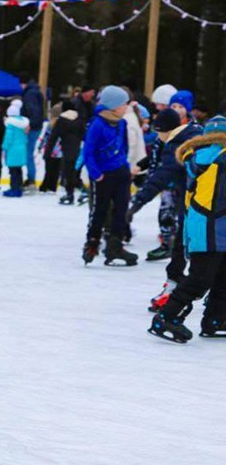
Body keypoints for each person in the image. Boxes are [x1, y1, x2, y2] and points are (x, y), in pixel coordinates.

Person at [149, 115, 226, 342]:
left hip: (204, 227)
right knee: (200, 279)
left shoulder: (199, 157)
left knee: (221, 276)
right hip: (212, 229)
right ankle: (167, 316)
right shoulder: (220, 159)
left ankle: (216, 319)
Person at [128, 107, 203, 308]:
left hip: (196, 203)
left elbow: (162, 175)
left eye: (158, 132)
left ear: (166, 130)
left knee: (185, 247)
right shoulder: (195, 132)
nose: (158, 137)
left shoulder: (179, 145)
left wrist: (137, 202)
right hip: (202, 202)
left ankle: (175, 289)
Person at [81, 85, 137, 266]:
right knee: (100, 210)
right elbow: (88, 152)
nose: (126, 107)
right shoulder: (97, 124)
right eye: (123, 104)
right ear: (113, 105)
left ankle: (115, 246)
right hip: (103, 175)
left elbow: (124, 147)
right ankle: (92, 243)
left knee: (121, 211)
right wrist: (96, 174)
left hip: (121, 172)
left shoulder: (122, 123)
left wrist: (125, 167)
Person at [49, 99, 85, 205]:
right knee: (74, 172)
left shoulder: (61, 120)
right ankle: (81, 192)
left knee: (68, 173)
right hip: (77, 149)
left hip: (66, 149)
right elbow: (84, 135)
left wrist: (49, 150)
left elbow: (54, 136)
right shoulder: (80, 120)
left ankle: (71, 194)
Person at [21, 77, 45, 190]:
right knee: (28, 152)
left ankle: (31, 180)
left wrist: (30, 124)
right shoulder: (35, 91)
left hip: (33, 127)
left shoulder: (30, 94)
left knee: (28, 153)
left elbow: (33, 110)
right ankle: (30, 179)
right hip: (36, 125)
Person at [2, 100, 29, 197]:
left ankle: (14, 189)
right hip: (21, 149)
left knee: (13, 171)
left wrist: (4, 147)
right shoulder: (23, 123)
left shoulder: (10, 124)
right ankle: (19, 188)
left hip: (13, 150)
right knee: (19, 170)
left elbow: (8, 138)